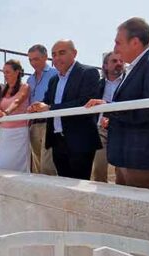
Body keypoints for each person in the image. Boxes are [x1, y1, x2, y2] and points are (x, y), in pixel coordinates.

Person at [85, 17, 149, 190]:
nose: (115, 48)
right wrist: (109, 107)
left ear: (135, 42)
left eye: (118, 42)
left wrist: (110, 108)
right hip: (128, 154)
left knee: (143, 209)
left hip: (143, 155)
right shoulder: (135, 68)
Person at [28, 40, 101, 180]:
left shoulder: (89, 73)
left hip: (80, 140)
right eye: (54, 55)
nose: (56, 58)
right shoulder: (54, 80)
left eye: (62, 53)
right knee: (63, 185)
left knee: (80, 187)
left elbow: (85, 102)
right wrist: (37, 106)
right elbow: (47, 101)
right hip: (57, 141)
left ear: (74, 53)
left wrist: (49, 108)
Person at [0, 60, 31, 172]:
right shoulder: (4, 90)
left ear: (17, 72)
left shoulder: (25, 87)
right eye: (3, 73)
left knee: (15, 168)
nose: (5, 75)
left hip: (19, 133)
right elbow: (0, 111)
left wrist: (5, 113)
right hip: (4, 133)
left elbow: (17, 102)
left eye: (8, 72)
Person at [92, 52, 124, 182]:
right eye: (114, 61)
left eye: (121, 61)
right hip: (101, 130)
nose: (119, 64)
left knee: (122, 171)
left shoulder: (127, 82)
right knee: (99, 168)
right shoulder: (98, 84)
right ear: (105, 66)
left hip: (121, 129)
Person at [26, 44, 58, 175]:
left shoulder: (55, 74)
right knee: (38, 165)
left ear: (45, 57)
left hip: (49, 122)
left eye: (36, 59)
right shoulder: (29, 79)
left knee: (48, 166)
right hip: (33, 124)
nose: (33, 63)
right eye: (30, 60)